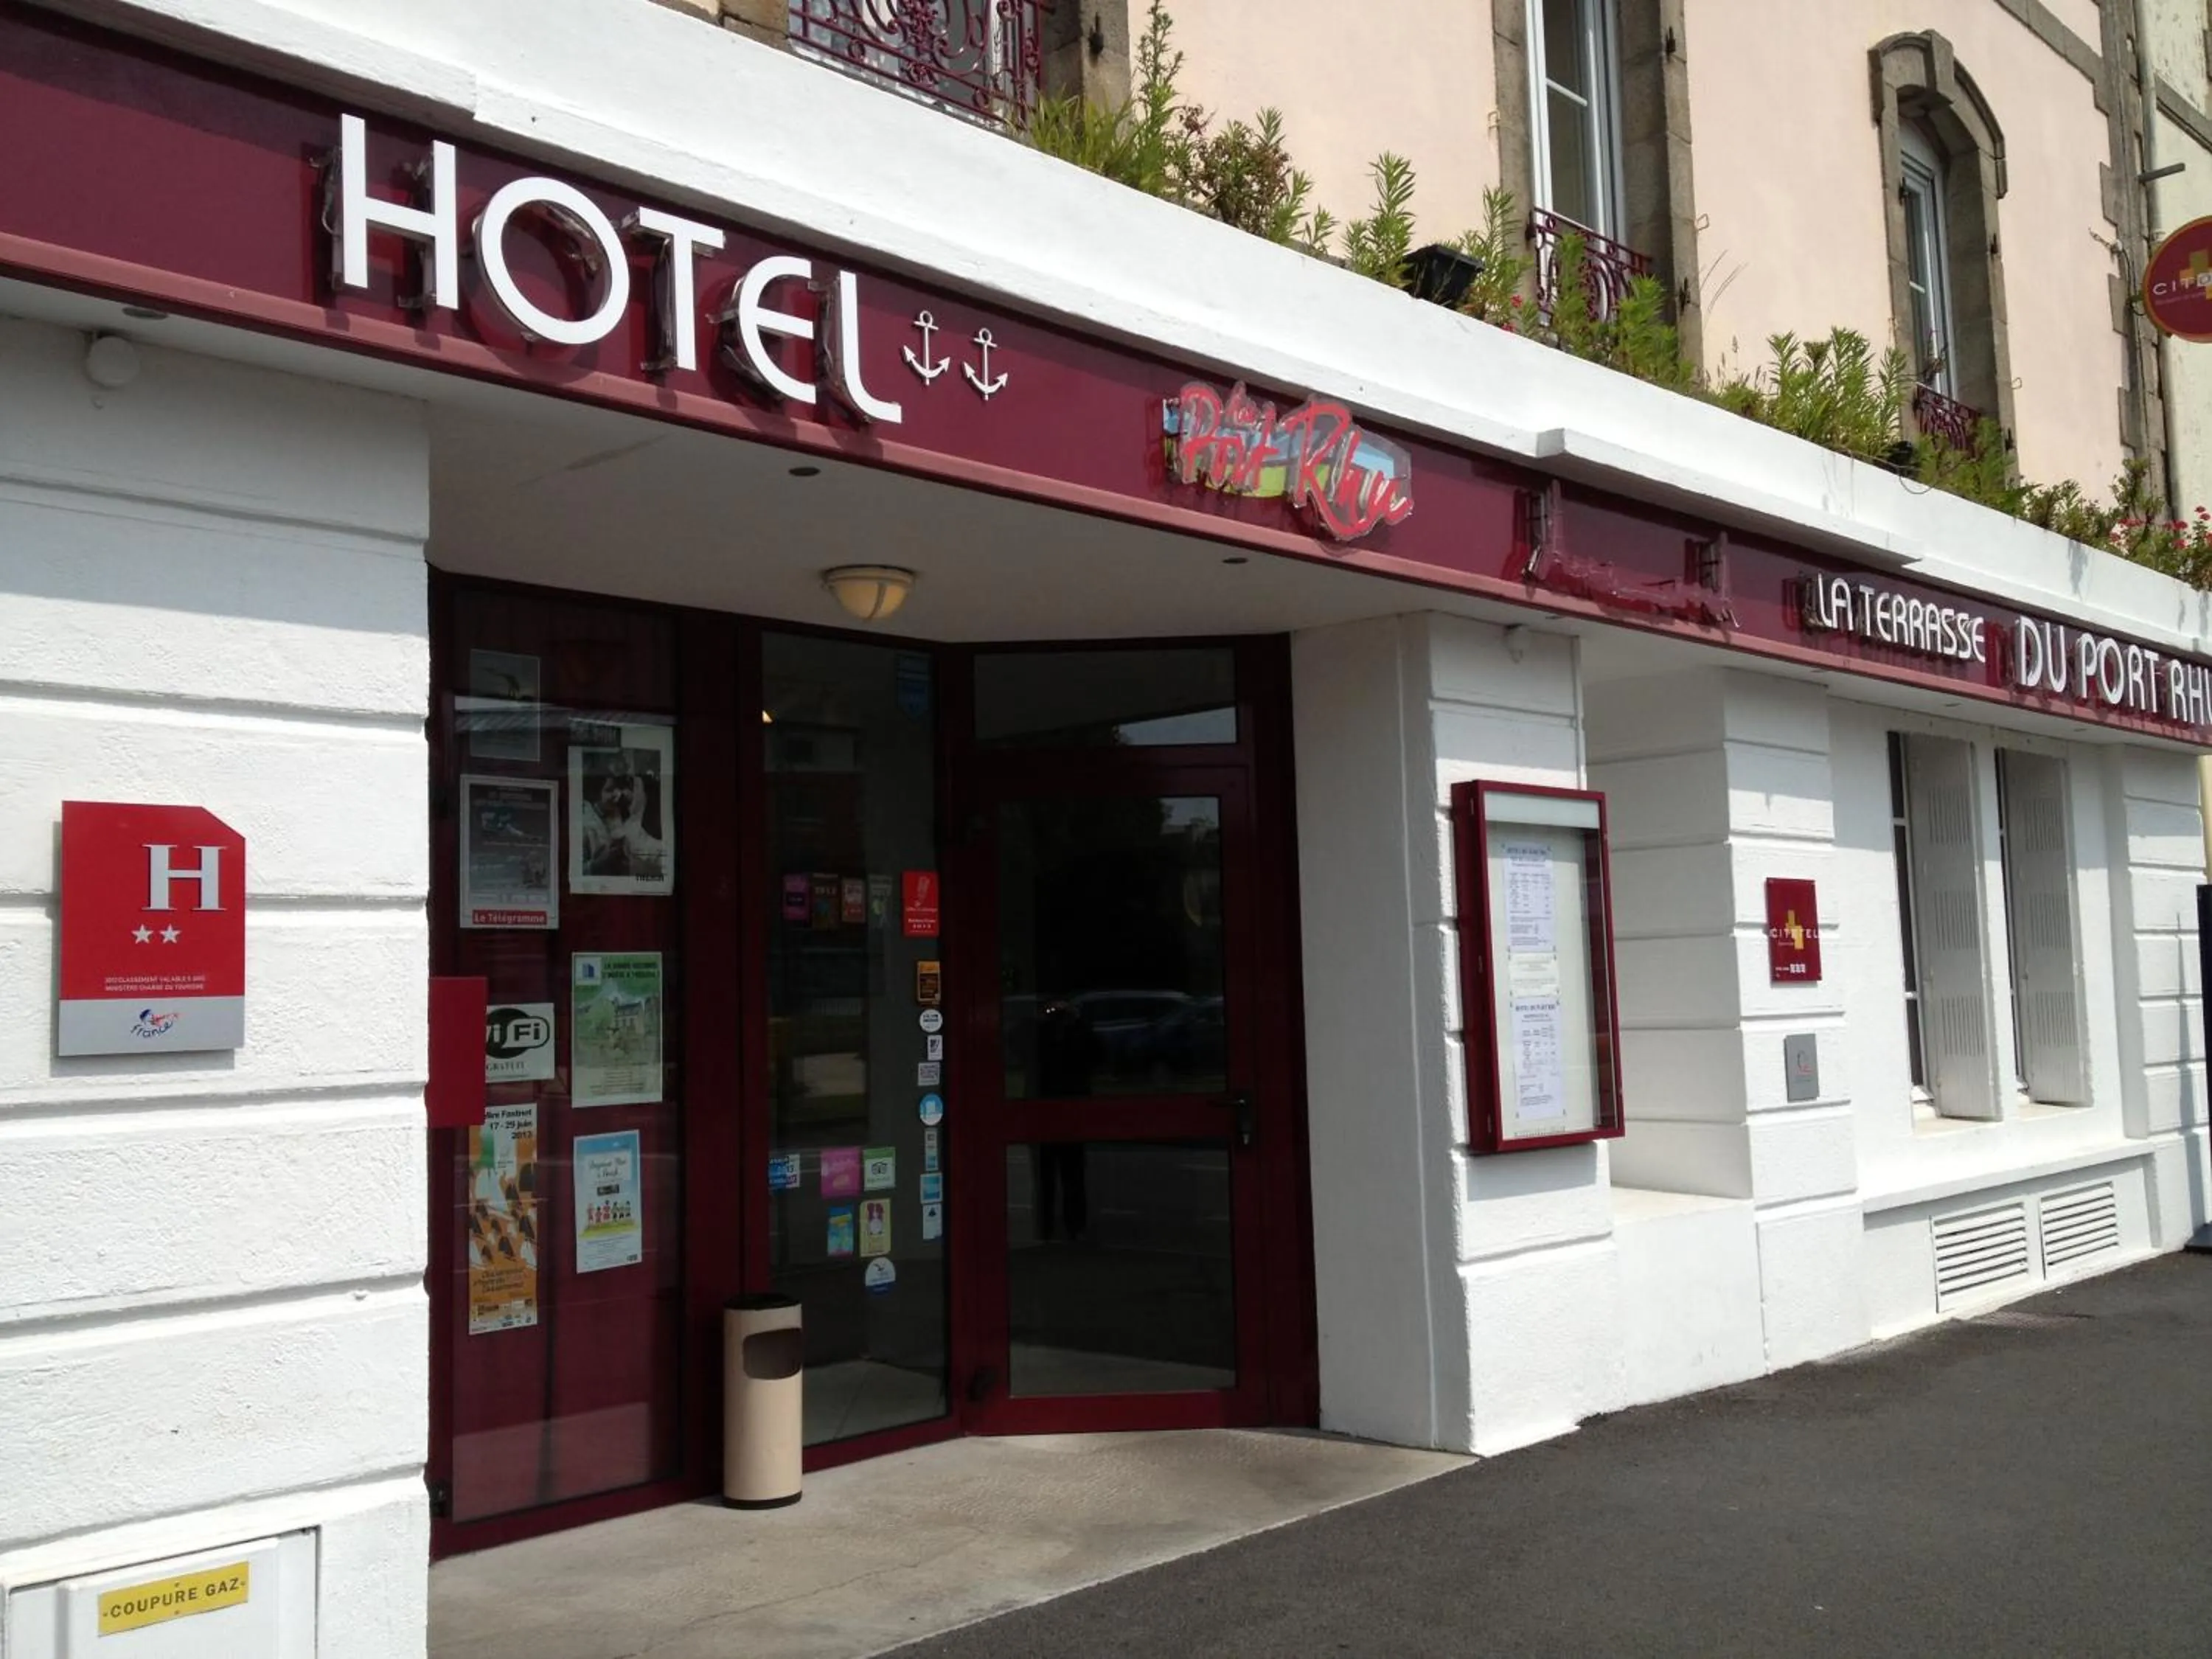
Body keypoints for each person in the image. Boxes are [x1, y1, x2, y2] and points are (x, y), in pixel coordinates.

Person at [580, 749, 665, 879]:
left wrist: (664, 854)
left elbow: (639, 840)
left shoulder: (617, 815)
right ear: (595, 795)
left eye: (616, 788)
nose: (617, 794)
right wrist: (597, 865)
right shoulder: (583, 825)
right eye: (609, 790)